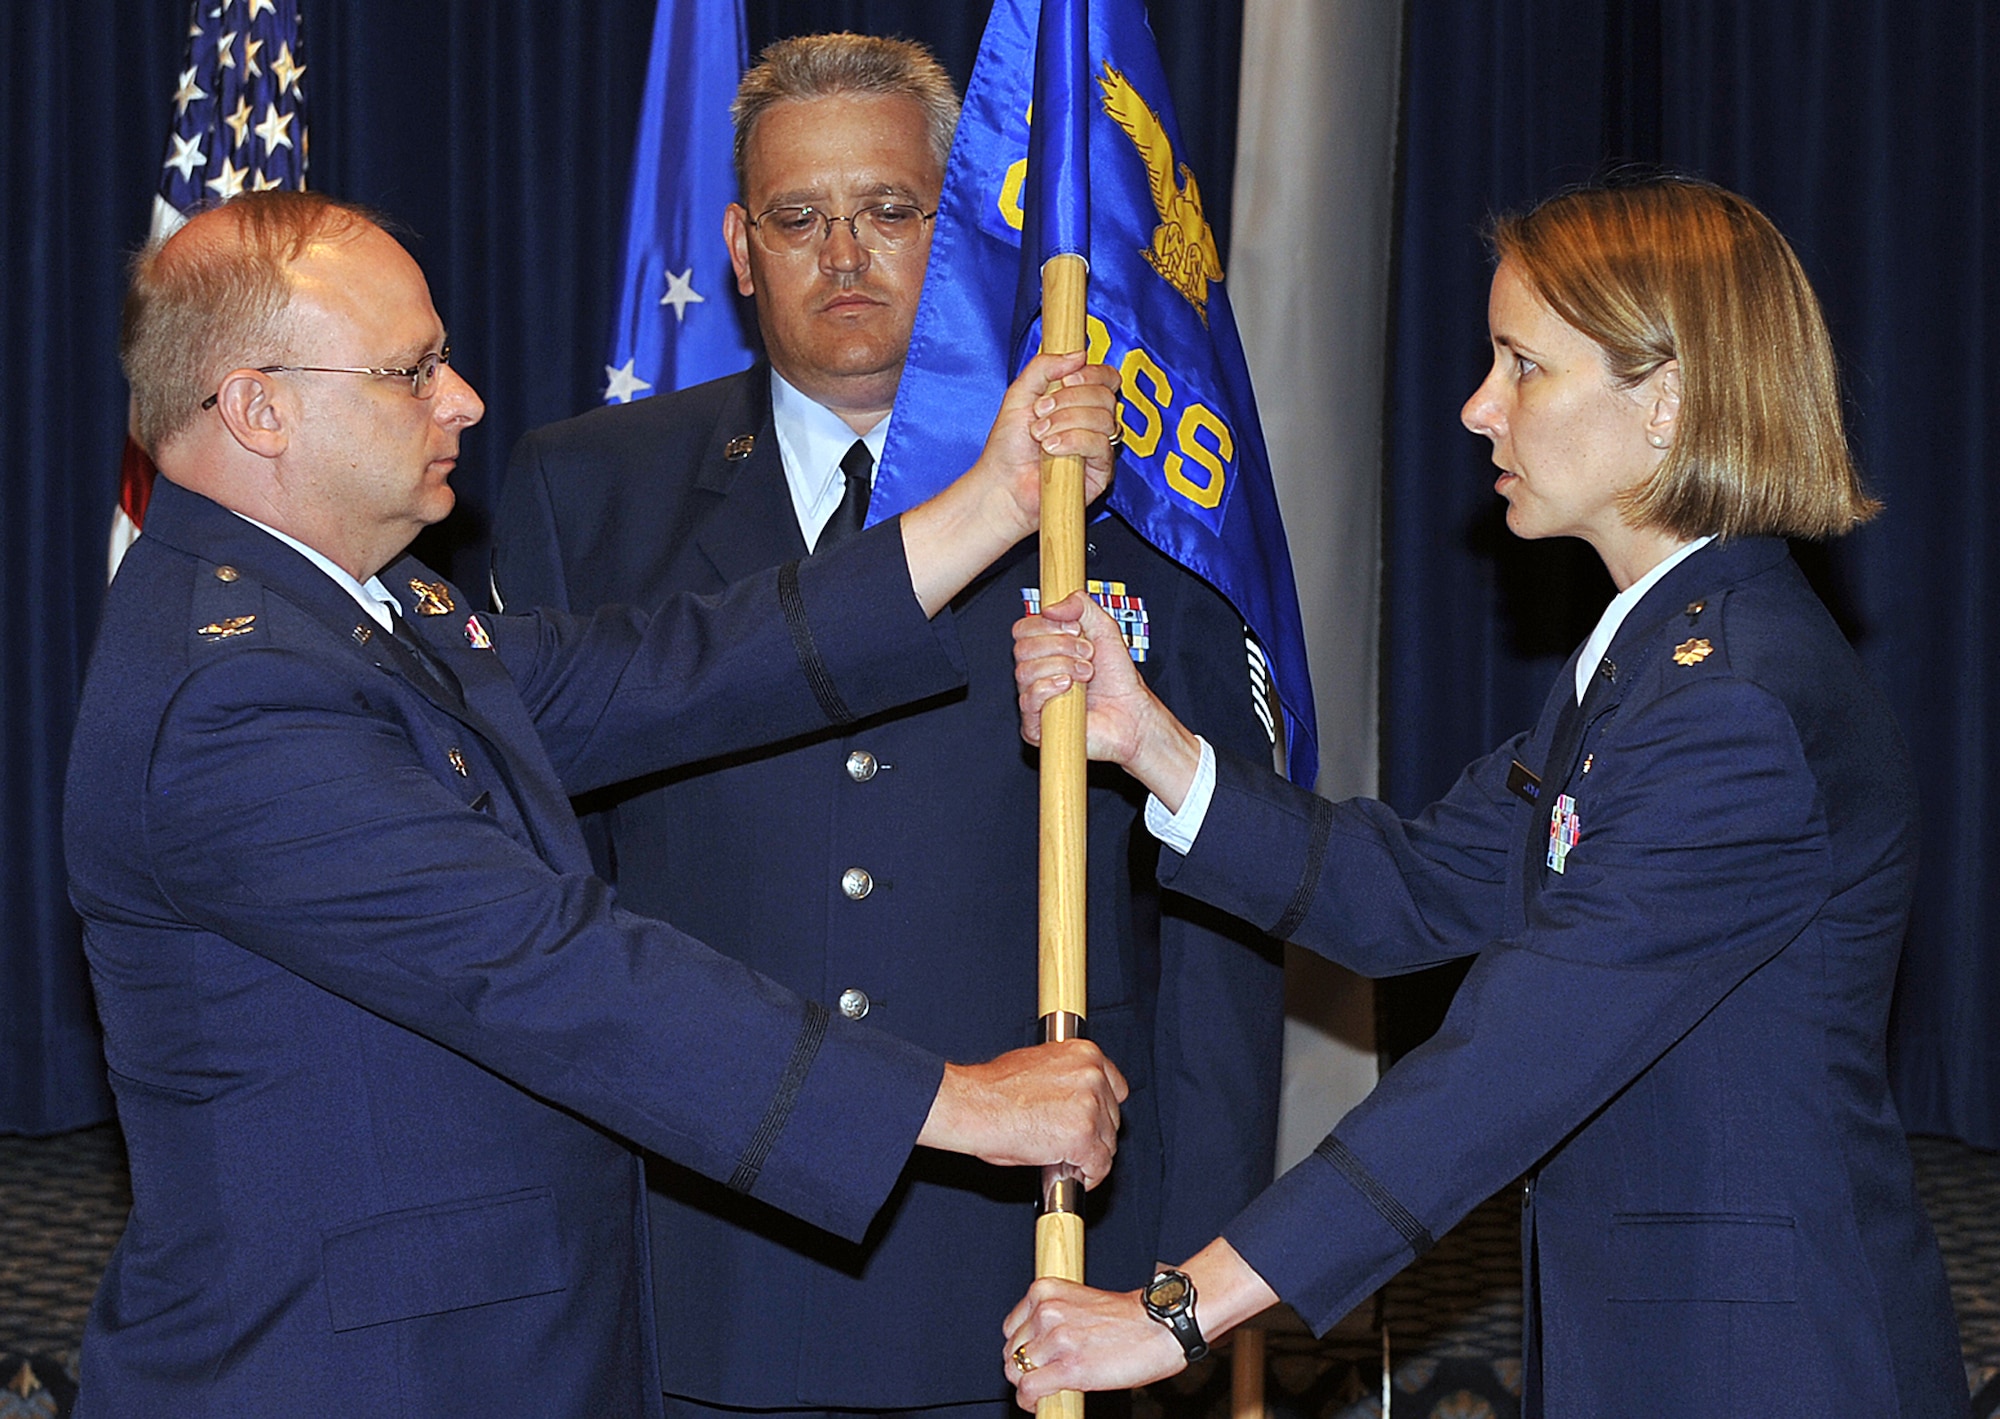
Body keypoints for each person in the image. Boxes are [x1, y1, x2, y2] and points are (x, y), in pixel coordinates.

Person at [63, 188, 1128, 1419]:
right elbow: (545, 968)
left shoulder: (362, 606)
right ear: (258, 408)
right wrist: (964, 1104)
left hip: (475, 1345)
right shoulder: (232, 696)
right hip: (348, 1371)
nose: (460, 399)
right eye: (411, 372)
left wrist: (993, 501)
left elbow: (658, 667)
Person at [1005, 177, 1966, 1417]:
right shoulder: (1655, 655)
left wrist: (1177, 1309)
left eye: (1523, 367)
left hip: (1763, 1365)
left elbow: (1508, 1060)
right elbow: (1412, 885)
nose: (1476, 408)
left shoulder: (1730, 701)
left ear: (1666, 402)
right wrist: (1151, 743)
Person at [490, 32, 1284, 1419]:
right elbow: (548, 892)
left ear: (966, 224)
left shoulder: (1121, 492)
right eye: (799, 220)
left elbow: (1217, 898)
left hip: (1031, 1259)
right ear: (740, 248)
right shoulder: (589, 491)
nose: (843, 254)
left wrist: (1191, 1259)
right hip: (697, 1249)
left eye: (892, 212)